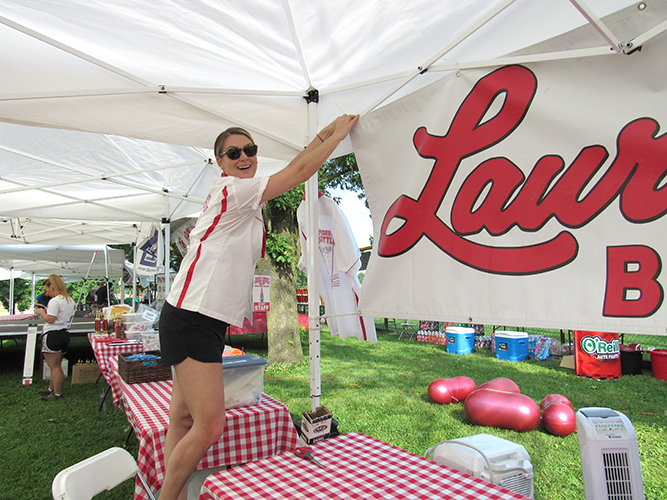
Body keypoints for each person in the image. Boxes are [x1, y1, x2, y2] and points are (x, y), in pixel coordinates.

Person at [158, 114, 359, 500]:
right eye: (233, 152)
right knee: (210, 424)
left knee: (183, 419)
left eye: (250, 149)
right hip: (192, 316)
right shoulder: (235, 191)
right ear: (220, 161)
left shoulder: (242, 196)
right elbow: (299, 170)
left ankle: (175, 496)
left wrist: (322, 133)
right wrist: (337, 135)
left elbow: (298, 160)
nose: (244, 156)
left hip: (196, 314)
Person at [35, 274, 75, 401]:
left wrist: (41, 312)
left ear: (52, 287)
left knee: (54, 366)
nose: (46, 293)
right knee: (56, 364)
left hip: (52, 334)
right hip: (64, 333)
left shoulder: (55, 301)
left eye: (47, 290)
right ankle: (51, 389)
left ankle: (57, 393)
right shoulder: (69, 300)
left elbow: (50, 319)